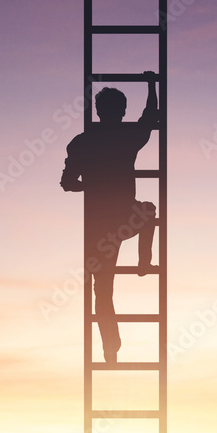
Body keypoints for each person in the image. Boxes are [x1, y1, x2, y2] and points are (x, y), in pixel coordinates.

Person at [60, 72, 159, 364]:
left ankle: (110, 348)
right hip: (125, 219)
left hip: (98, 229)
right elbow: (151, 117)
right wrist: (151, 84)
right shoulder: (126, 137)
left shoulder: (81, 142)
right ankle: (144, 260)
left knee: (102, 292)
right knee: (149, 210)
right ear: (122, 112)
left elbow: (67, 183)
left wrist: (89, 184)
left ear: (98, 111)